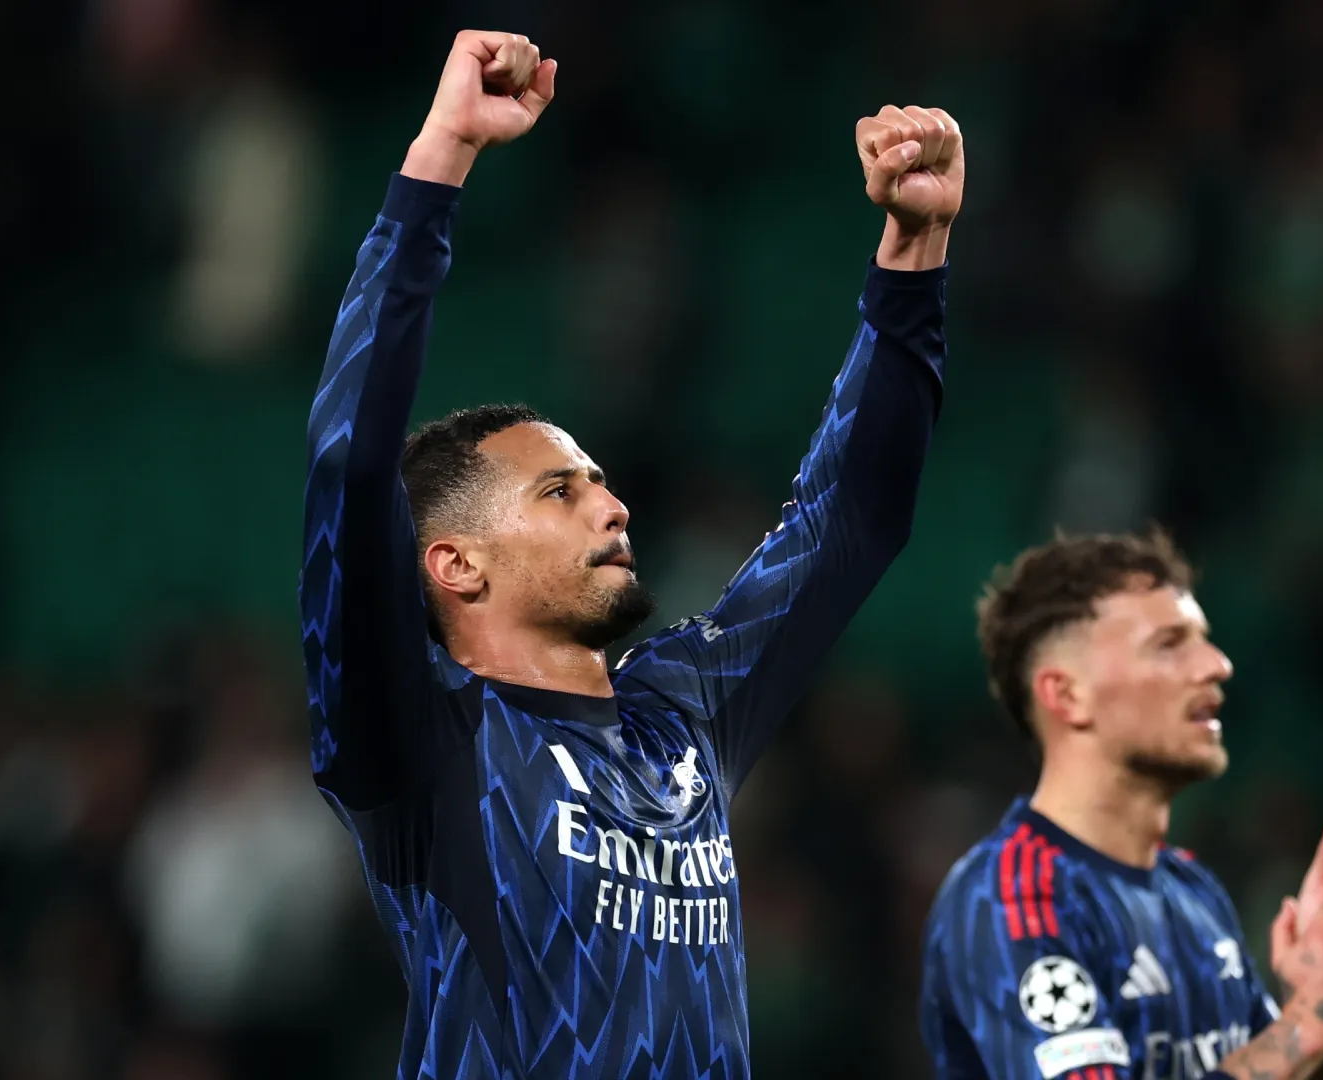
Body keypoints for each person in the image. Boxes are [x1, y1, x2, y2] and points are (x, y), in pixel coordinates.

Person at [298, 29, 965, 1080]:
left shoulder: (683, 712)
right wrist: (441, 156)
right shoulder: (422, 741)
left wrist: (912, 255)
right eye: (561, 490)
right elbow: (350, 462)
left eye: (602, 482)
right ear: (456, 565)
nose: (612, 507)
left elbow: (852, 520)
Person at [919, 530, 1323, 1080]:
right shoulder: (1012, 898)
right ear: (1066, 695)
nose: (1217, 665)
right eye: (1169, 644)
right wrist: (1305, 1024)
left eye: (1204, 640)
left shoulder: (1193, 891)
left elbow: (1277, 1064)